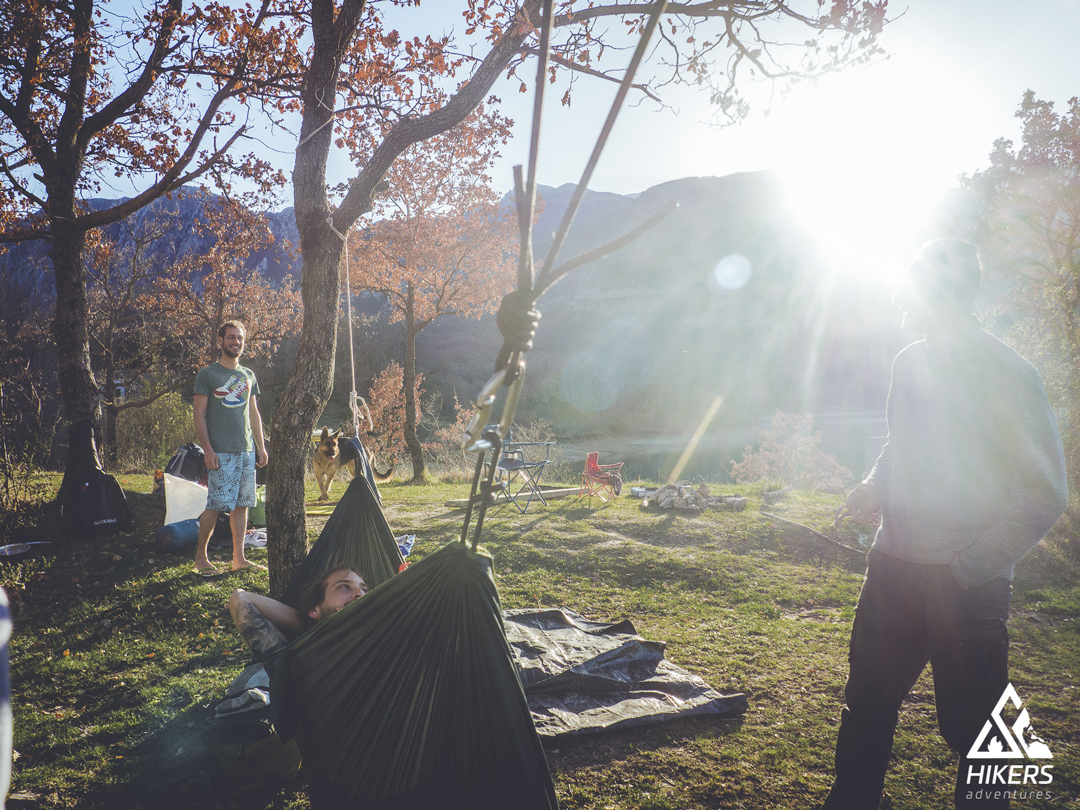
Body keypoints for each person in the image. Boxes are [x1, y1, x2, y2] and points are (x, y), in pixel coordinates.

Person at [822, 239, 1068, 809]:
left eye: (910, 285)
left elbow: (1046, 492)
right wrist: (875, 486)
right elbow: (896, 443)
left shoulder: (1010, 374)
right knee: (867, 704)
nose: (899, 295)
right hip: (891, 570)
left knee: (982, 734)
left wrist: (969, 568)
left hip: (969, 588)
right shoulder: (909, 360)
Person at [193, 320, 269, 575]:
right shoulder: (208, 374)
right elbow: (199, 415)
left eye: (240, 338)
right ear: (220, 341)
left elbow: (254, 413)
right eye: (231, 337)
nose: (236, 342)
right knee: (215, 505)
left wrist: (261, 446)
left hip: (246, 450)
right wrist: (208, 450)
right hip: (220, 451)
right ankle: (200, 558)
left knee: (242, 505)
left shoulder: (248, 375)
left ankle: (239, 558)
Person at [229, 567, 368, 660]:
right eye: (344, 587)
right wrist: (310, 626)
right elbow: (241, 598)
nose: (360, 594)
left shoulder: (384, 632)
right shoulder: (300, 662)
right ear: (314, 610)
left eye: (365, 590)